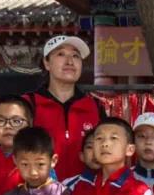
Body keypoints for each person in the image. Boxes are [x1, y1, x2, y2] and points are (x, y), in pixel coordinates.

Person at [23, 35, 104, 182]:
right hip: (41, 191)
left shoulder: (95, 106)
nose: (70, 61)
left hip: (86, 191)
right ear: (46, 63)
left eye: (75, 56)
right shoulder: (28, 104)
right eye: (61, 54)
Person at [61, 129, 98, 195]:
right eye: (90, 147)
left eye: (100, 146)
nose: (95, 152)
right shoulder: (67, 186)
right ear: (82, 156)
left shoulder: (117, 185)